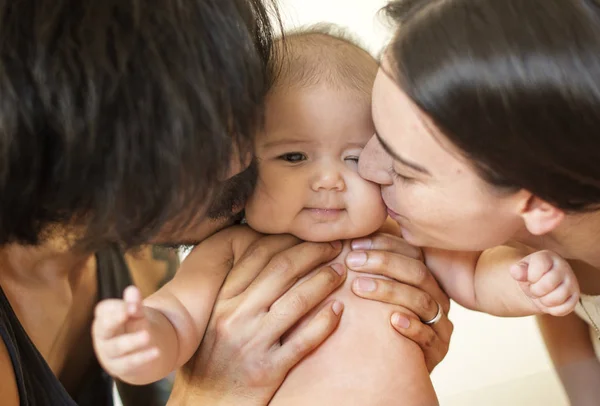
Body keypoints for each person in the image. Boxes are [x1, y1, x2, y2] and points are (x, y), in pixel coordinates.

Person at [93, 28, 581, 406]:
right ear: (245, 166)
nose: (328, 181)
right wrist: (140, 342)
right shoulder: (228, 251)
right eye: (293, 158)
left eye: (353, 158)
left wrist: (527, 281)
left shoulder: (401, 239)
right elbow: (174, 321)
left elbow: (477, 278)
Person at [0, 1, 453, 405]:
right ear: (82, 139)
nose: (241, 158)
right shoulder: (215, 252)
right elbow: (170, 327)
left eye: (234, 111)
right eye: (195, 129)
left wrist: (381, 358)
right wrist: (213, 394)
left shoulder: (152, 247)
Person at [355, 0, 600, 404]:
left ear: (540, 203)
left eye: (406, 171)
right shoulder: (561, 218)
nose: (366, 167)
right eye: (372, 132)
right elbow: (565, 299)